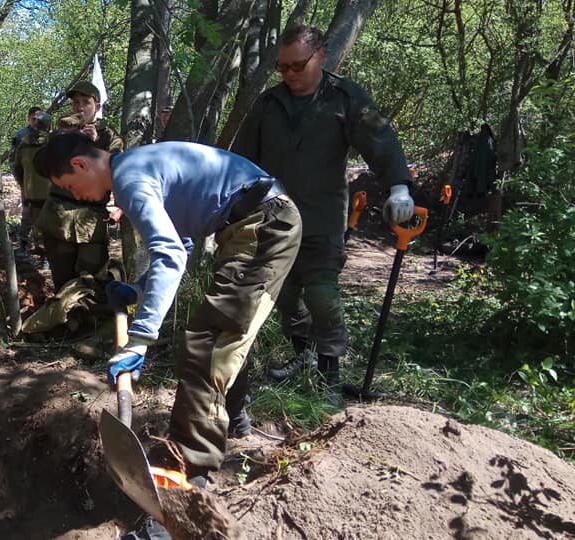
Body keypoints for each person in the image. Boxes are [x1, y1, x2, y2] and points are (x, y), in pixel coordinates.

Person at [35, 132, 301, 491]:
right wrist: (140, 289)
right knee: (227, 327)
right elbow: (183, 240)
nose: (77, 196)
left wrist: (139, 339)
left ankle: (188, 483)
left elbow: (171, 255)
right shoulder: (140, 166)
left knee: (207, 346)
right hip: (252, 224)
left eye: (71, 185)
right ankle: (236, 422)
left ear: (80, 164)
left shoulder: (129, 178)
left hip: (263, 226)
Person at [230, 24, 415, 410]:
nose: (290, 75)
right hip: (274, 218)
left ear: (321, 56)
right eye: (282, 68)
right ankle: (303, 355)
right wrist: (229, 211)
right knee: (284, 297)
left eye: (297, 66)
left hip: (323, 217)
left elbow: (381, 141)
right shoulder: (268, 104)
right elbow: (241, 163)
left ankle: (329, 374)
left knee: (322, 296)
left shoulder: (344, 98)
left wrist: (399, 186)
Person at [33, 81, 123, 291]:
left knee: (91, 281)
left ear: (97, 106)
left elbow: (116, 171)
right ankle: (63, 320)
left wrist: (93, 144)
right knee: (62, 281)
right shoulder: (61, 132)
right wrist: (61, 139)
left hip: (91, 221)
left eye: (85, 102)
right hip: (58, 217)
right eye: (75, 103)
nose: (79, 108)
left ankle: (89, 322)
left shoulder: (109, 136)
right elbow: (39, 166)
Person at [12, 111, 53, 254]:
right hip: (50, 192)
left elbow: (16, 167)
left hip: (30, 191)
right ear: (48, 126)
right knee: (49, 225)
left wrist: (23, 184)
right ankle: (45, 257)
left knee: (31, 219)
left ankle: (32, 249)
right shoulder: (52, 142)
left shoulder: (24, 142)